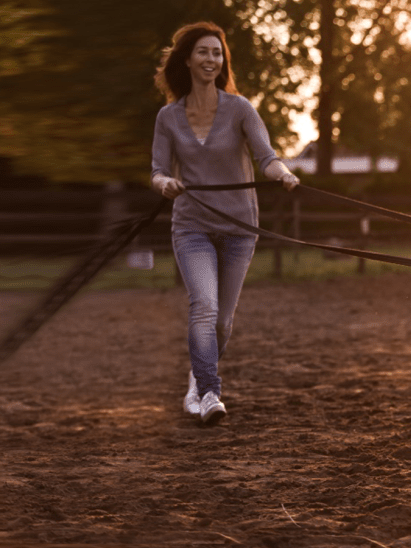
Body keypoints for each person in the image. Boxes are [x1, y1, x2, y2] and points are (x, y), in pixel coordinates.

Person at [151, 22, 299, 425]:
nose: (211, 59)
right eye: (203, 51)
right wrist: (165, 184)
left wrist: (284, 174)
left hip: (238, 228)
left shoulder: (240, 109)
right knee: (204, 305)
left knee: (222, 321)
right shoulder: (168, 117)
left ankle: (196, 382)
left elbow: (267, 158)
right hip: (192, 226)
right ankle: (209, 391)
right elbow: (158, 171)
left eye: (217, 53)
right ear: (187, 59)